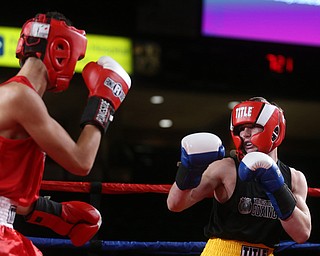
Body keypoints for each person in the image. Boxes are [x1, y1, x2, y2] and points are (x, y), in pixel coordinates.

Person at [0, 12, 131, 255]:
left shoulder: (13, 94)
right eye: (77, 58)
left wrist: (55, 213)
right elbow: (82, 162)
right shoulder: (22, 98)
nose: (74, 68)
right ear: (60, 49)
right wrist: (104, 101)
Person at [167, 97, 311, 256]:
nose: (245, 134)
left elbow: (302, 234)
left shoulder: (295, 178)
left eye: (254, 127)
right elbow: (175, 204)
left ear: (275, 130)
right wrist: (188, 170)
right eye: (241, 128)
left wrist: (277, 188)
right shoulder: (225, 168)